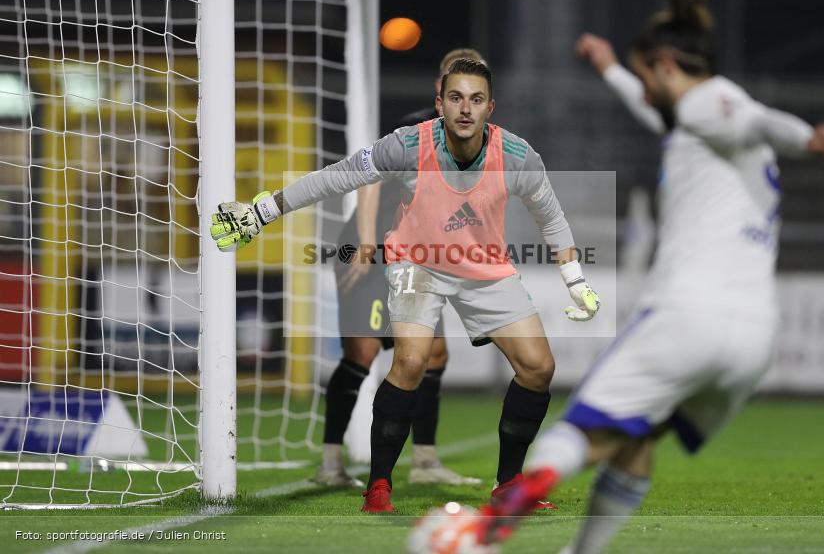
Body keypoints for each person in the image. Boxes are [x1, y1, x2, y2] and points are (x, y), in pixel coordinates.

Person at [465, 0, 824, 552]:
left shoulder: (714, 104)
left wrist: (808, 139)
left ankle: (493, 522)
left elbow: (756, 119)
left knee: (583, 433)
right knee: (635, 441)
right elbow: (682, 113)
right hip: (752, 339)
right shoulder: (700, 128)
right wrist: (611, 69)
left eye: (647, 75)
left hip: (687, 317)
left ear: (667, 65)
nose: (645, 89)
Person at [210, 58, 600, 513]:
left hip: (485, 268)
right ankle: (379, 485)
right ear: (439, 102)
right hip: (418, 265)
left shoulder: (517, 156)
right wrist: (262, 211)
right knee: (411, 361)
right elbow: (336, 176)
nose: (465, 109)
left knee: (538, 367)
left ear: (490, 107)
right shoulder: (408, 145)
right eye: (455, 98)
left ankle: (509, 485)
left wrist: (574, 278)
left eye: (476, 99)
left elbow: (549, 215)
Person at [314, 49, 487, 489]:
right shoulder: (414, 132)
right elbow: (370, 179)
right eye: (455, 89)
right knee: (364, 354)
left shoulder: (482, 142)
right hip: (369, 250)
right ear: (440, 90)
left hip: (416, 257)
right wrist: (367, 242)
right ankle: (331, 462)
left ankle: (425, 462)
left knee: (434, 354)